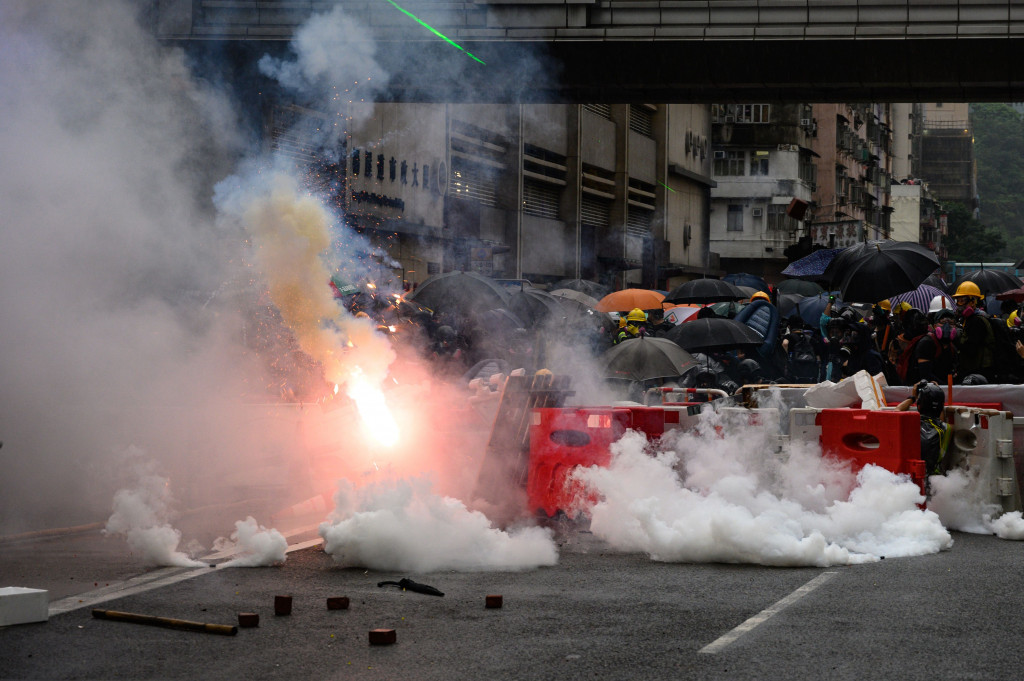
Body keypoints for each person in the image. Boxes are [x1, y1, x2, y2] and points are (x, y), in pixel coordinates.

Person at [896, 381, 952, 489]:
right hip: (935, 484)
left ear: (920, 405)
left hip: (910, 481)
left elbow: (897, 411)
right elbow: (940, 418)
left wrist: (913, 397)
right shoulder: (948, 428)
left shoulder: (909, 423)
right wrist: (937, 395)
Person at [952, 281, 997, 383]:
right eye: (957, 300)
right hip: (973, 370)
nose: (959, 305)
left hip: (979, 373)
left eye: (962, 301)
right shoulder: (968, 320)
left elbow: (971, 349)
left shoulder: (977, 321)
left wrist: (955, 339)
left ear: (973, 302)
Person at [912, 309, 958, 384]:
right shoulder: (926, 343)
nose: (947, 326)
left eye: (951, 323)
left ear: (955, 326)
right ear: (935, 326)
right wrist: (945, 386)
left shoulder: (952, 348)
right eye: (942, 322)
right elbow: (925, 375)